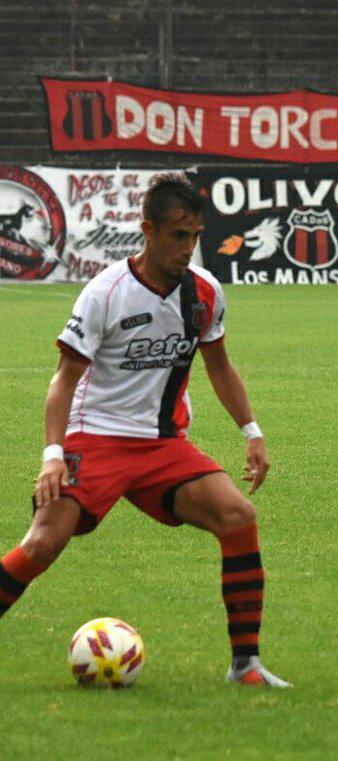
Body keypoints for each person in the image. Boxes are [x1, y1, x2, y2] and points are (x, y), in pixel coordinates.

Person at [0, 174, 290, 687]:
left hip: (162, 445)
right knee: (43, 543)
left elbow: (219, 365)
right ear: (148, 230)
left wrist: (252, 432)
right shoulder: (106, 292)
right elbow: (64, 379)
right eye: (178, 235)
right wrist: (52, 454)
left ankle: (245, 666)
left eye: (195, 236)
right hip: (94, 438)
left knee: (237, 515)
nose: (188, 247)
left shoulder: (204, 291)